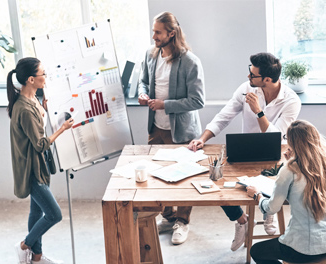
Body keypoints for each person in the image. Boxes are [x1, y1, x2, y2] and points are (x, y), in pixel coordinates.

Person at [188, 52, 301, 251]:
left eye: (253, 74)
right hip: (245, 153)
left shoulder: (291, 101)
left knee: (275, 181)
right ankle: (241, 220)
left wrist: (259, 111)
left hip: (275, 155)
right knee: (217, 185)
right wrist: (202, 138)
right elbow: (224, 115)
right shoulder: (246, 88)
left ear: (267, 79)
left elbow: (277, 137)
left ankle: (269, 210)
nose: (248, 77)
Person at [138, 11, 205, 245]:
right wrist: (142, 93)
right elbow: (143, 80)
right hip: (155, 128)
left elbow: (197, 101)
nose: (153, 36)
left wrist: (165, 105)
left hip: (182, 132)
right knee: (156, 175)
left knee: (185, 179)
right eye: (153, 31)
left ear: (171, 33)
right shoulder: (150, 54)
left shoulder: (190, 62)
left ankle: (182, 222)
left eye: (158, 32)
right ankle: (168, 217)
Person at [7, 57, 74, 264]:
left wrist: (44, 107)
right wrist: (62, 129)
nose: (46, 77)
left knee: (36, 212)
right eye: (42, 74)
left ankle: (36, 258)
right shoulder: (24, 109)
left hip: (41, 165)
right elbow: (40, 144)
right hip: (32, 169)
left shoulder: (34, 98)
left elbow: (39, 124)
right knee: (54, 214)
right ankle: (23, 246)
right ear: (30, 79)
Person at [247, 120, 326, 264]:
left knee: (256, 251)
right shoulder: (323, 164)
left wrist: (257, 195)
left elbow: (272, 208)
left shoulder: (289, 170)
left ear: (292, 143)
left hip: (300, 248)